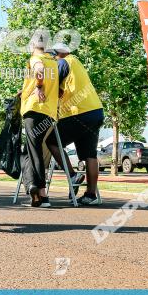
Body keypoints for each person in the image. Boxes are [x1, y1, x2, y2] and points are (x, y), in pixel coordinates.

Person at [52, 43, 105, 205]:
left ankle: (73, 175)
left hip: (78, 112)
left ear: (58, 54)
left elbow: (49, 87)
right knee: (90, 154)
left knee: (52, 141)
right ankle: (90, 195)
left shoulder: (63, 63)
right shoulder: (77, 64)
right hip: (95, 111)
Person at [19, 33, 62, 208]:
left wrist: (38, 86)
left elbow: (38, 71)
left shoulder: (36, 58)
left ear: (32, 45)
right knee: (32, 151)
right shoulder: (54, 62)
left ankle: (39, 192)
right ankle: (35, 190)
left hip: (34, 109)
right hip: (49, 112)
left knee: (31, 152)